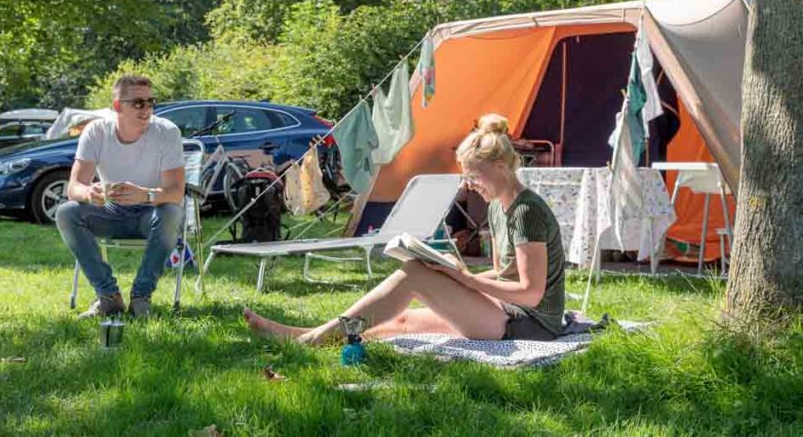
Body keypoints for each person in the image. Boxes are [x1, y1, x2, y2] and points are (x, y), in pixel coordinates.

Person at [244, 113, 566, 343]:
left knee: (412, 273)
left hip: (531, 323)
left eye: (474, 176)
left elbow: (531, 293)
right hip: (506, 309)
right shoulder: (498, 206)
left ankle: (311, 339)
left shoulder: (526, 212)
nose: (469, 185)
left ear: (500, 167)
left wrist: (464, 280)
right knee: (402, 319)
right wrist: (447, 273)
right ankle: (306, 335)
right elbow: (501, 272)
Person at [56, 75, 185, 319]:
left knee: (172, 212)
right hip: (111, 211)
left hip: (152, 213)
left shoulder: (167, 132)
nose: (146, 108)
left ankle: (141, 298)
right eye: (138, 103)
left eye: (150, 102)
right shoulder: (97, 131)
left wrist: (144, 194)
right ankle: (108, 296)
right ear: (118, 106)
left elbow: (176, 192)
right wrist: (90, 192)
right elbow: (74, 187)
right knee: (67, 212)